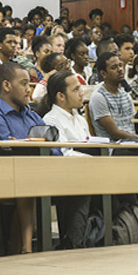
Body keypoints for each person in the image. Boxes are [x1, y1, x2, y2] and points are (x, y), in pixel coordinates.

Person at [0, 61, 43, 254]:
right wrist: (32, 144)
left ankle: (18, 248)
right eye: (24, 84)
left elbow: (52, 143)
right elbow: (7, 151)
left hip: (34, 171)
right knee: (26, 179)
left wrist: (25, 143)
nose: (29, 89)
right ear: (7, 86)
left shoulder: (31, 115)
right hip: (6, 176)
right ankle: (26, 248)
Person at [39, 71, 94, 248]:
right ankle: (73, 244)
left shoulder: (80, 119)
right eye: (76, 89)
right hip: (61, 176)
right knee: (84, 187)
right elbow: (63, 153)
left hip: (85, 170)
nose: (81, 93)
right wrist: (93, 160)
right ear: (61, 96)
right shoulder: (51, 119)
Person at [88, 52, 138, 141]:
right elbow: (115, 133)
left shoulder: (125, 95)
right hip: (115, 147)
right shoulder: (99, 97)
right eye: (114, 67)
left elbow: (134, 125)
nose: (120, 69)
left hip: (132, 143)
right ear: (103, 74)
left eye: (120, 65)